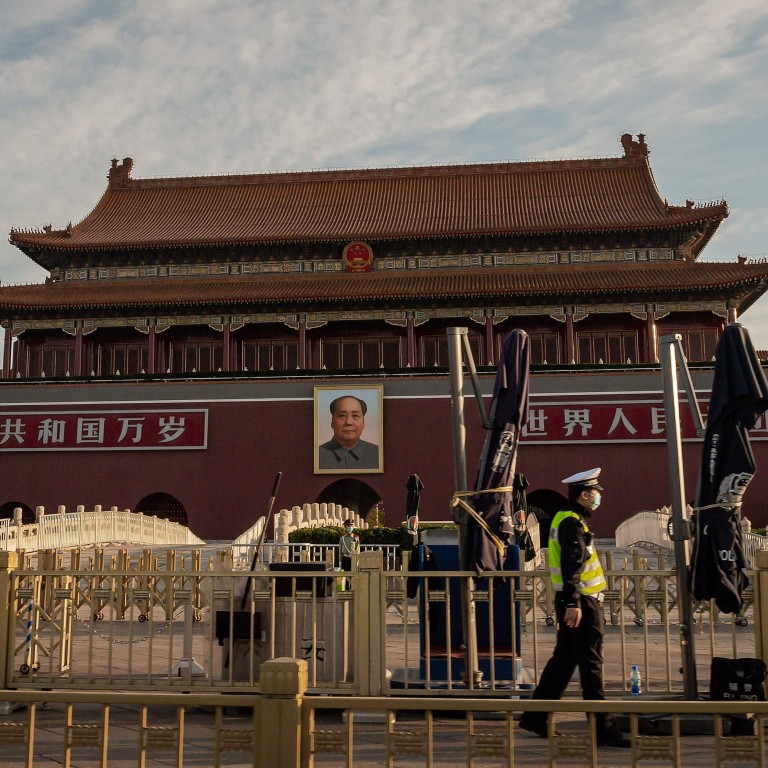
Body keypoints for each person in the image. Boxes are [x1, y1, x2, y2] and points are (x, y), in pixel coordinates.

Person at [518, 468, 630, 748]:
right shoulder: (571, 522)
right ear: (583, 495)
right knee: (591, 665)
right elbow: (572, 563)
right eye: (595, 493)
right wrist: (573, 602)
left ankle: (535, 718)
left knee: (563, 662)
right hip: (583, 603)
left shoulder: (565, 518)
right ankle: (604, 730)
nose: (598, 497)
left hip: (574, 599)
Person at [318, 394, 379, 470]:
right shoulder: (316, 456)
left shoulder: (379, 454)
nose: (349, 422)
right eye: (342, 416)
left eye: (355, 416)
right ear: (332, 422)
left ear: (363, 422)